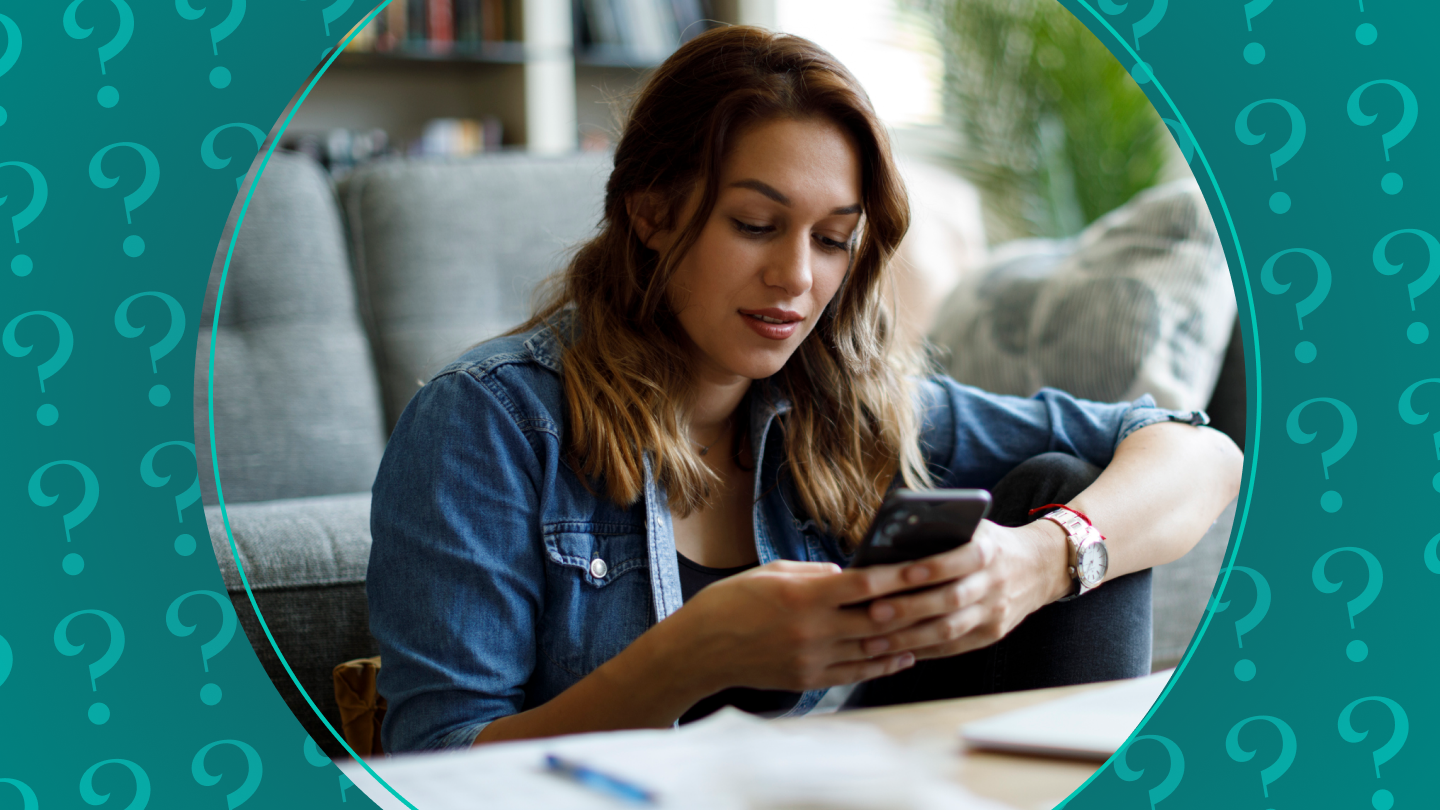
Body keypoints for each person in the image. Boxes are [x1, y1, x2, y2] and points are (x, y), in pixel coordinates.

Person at [366, 25, 1243, 753]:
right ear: (652, 208)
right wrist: (692, 657)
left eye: (832, 240)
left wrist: (1043, 558)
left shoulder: (852, 407)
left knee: (1057, 486)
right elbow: (438, 771)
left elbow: (1195, 449)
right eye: (756, 225)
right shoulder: (489, 423)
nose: (795, 277)